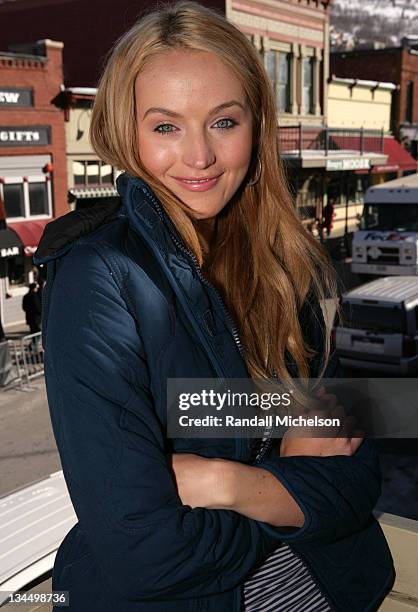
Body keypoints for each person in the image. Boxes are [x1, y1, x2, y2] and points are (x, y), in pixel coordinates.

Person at [33, 3, 394, 611]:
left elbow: (358, 474)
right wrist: (288, 485)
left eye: (223, 122)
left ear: (255, 123)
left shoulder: (284, 262)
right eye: (166, 127)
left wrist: (228, 483)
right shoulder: (99, 278)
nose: (198, 157)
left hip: (336, 590)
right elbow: (147, 551)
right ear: (127, 131)